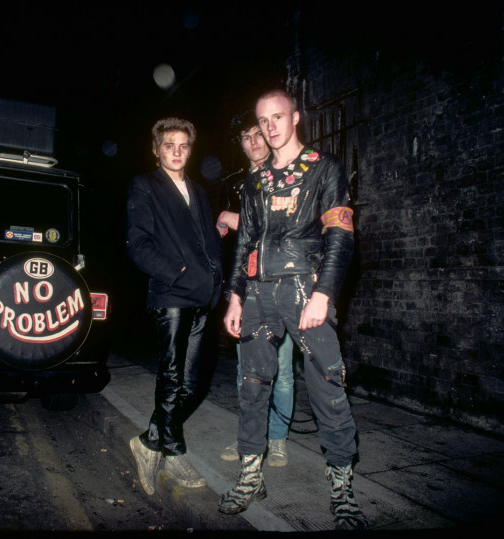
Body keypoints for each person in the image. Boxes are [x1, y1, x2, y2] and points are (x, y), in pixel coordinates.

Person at [218, 89, 367, 530]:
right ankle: (250, 477)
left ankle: (342, 488)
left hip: (305, 290)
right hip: (259, 296)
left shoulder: (325, 168)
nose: (270, 127)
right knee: (252, 385)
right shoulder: (254, 181)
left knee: (327, 384)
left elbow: (340, 232)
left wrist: (325, 292)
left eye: (278, 117)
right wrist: (235, 296)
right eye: (263, 121)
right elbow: (245, 242)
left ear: (295, 117)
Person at [125, 117, 223, 496]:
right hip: (171, 295)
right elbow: (137, 244)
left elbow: (206, 240)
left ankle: (151, 441)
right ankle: (173, 449)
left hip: (202, 295)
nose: (177, 151)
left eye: (184, 145)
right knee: (171, 379)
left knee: (194, 382)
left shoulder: (197, 190)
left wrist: (217, 280)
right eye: (170, 145)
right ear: (156, 149)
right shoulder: (145, 186)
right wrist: (177, 273)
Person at [216, 111, 295, 468]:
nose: (253, 142)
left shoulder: (291, 175)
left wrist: (234, 219)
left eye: (258, 133)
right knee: (246, 369)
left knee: (281, 366)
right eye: (245, 137)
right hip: (246, 286)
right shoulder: (234, 183)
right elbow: (222, 238)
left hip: (283, 283)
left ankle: (276, 441)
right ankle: (250, 439)